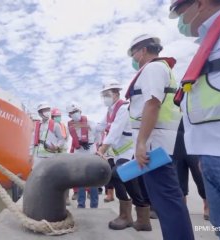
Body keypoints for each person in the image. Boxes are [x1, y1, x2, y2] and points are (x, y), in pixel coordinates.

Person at [169, 1, 220, 239]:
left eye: (179, 13)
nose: (181, 21)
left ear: (199, 3)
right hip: (210, 155)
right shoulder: (214, 38)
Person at [125, 34, 194, 240]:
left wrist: (141, 143)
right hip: (161, 140)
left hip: (155, 142)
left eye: (133, 53)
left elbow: (152, 103)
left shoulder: (153, 68)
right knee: (167, 199)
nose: (134, 58)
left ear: (143, 50)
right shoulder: (163, 68)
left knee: (166, 200)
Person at [96, 82, 151, 231]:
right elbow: (99, 126)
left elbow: (114, 132)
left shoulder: (123, 109)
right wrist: (83, 125)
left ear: (116, 94)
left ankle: (138, 215)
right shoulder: (109, 111)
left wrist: (101, 149)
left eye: (107, 95)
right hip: (119, 154)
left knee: (117, 174)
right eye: (103, 95)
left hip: (130, 152)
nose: (105, 98)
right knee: (117, 177)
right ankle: (131, 216)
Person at [172, 118, 209, 220]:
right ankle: (182, 209)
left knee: (199, 176)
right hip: (176, 139)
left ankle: (208, 205)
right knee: (179, 178)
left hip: (193, 139)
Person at [66, 102, 99, 209]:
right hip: (79, 153)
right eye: (71, 113)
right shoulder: (70, 125)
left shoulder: (90, 122)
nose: (74, 114)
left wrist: (90, 143)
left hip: (91, 152)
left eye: (76, 111)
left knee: (93, 180)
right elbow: (68, 138)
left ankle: (94, 205)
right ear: (69, 115)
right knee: (80, 180)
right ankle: (81, 205)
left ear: (80, 111)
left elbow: (98, 136)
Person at [32, 102, 66, 169]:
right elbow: (33, 140)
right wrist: (31, 154)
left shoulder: (55, 125)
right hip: (39, 156)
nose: (47, 112)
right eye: (44, 110)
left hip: (51, 155)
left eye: (48, 110)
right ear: (40, 113)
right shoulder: (37, 125)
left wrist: (57, 146)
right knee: (35, 171)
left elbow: (61, 139)